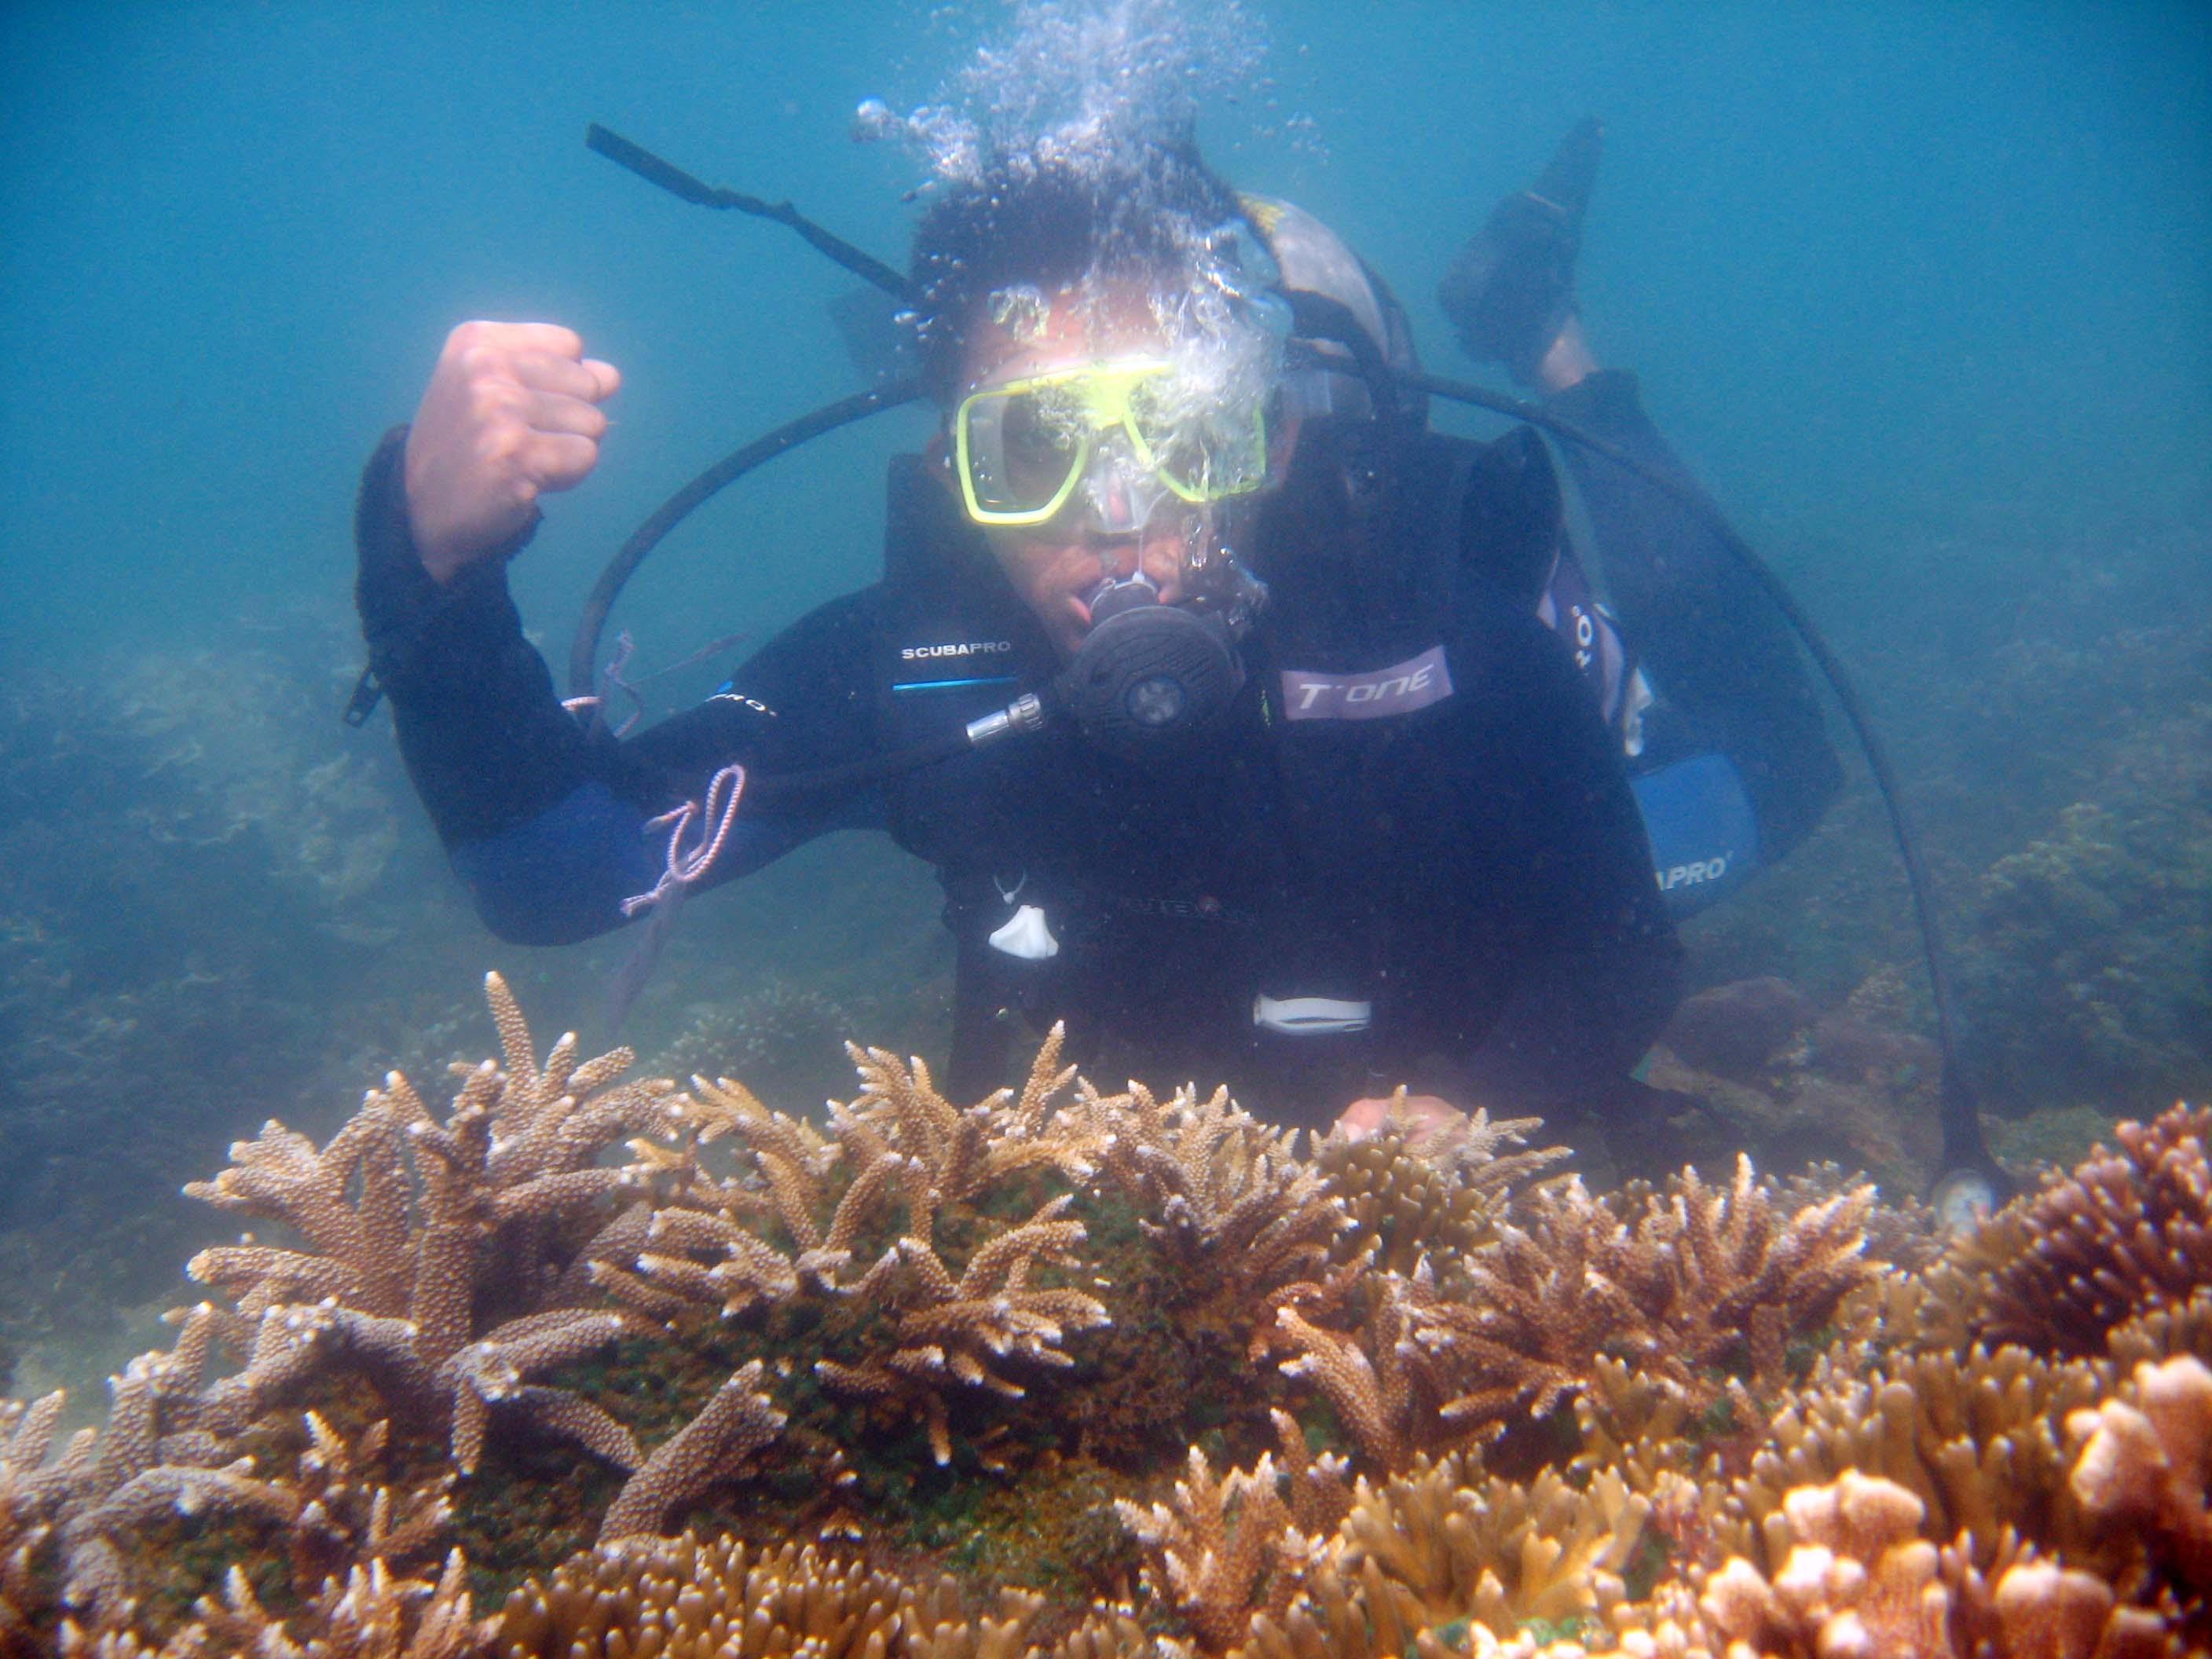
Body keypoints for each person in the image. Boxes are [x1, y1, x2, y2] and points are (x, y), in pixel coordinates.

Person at [353, 126, 1838, 1139]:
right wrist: (431, 568)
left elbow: (1621, 953)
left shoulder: (1421, 622)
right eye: (1035, 448)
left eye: (1185, 437)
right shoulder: (914, 672)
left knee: (1768, 771)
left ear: (1267, 442)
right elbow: (552, 870)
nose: (1122, 514)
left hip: (1453, 1056)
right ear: (955, 485)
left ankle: (1550, 346)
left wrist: (1484, 1106)